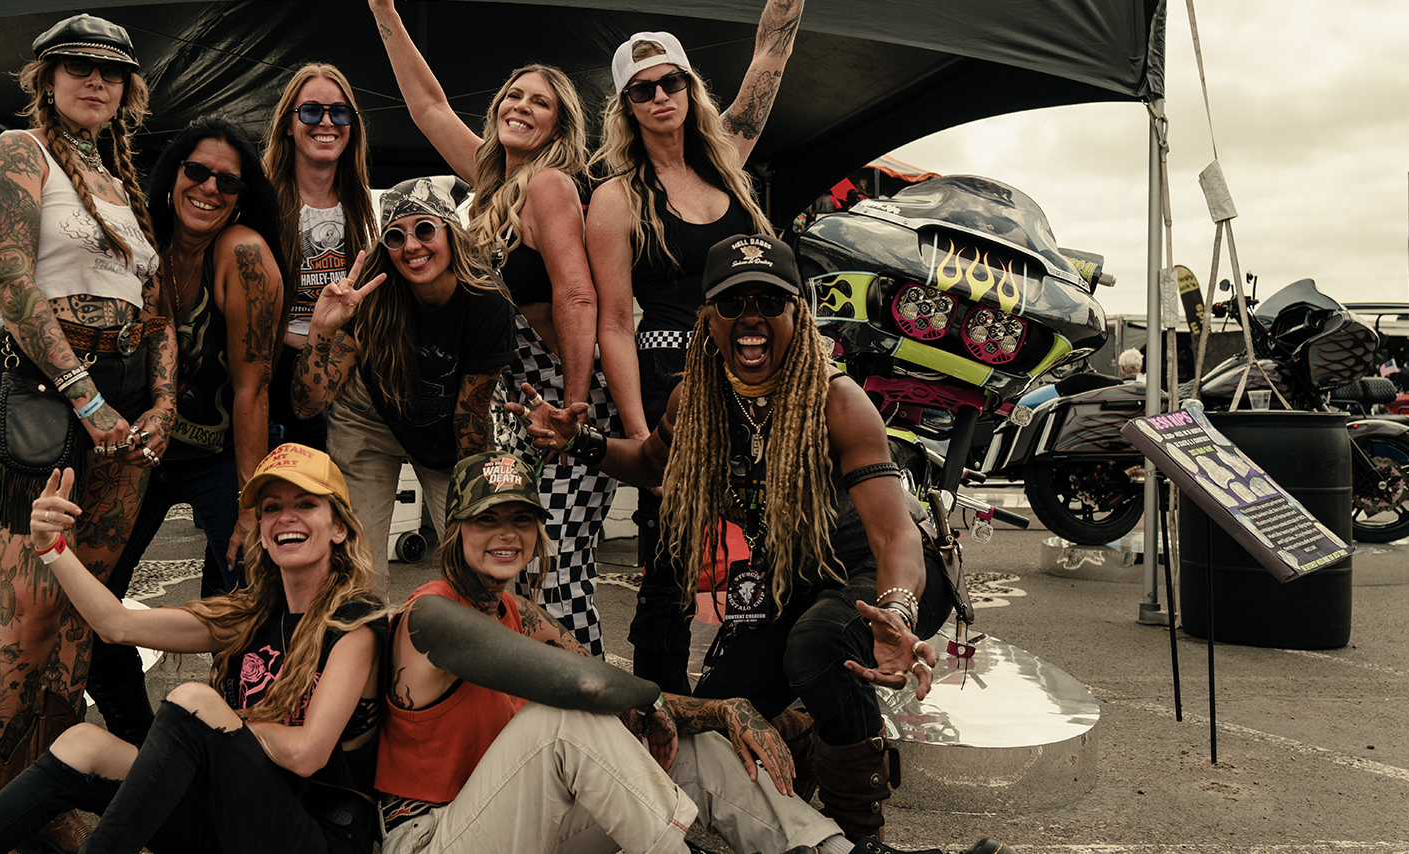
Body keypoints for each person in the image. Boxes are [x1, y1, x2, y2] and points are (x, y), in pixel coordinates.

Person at [519, 234, 1006, 851]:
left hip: (876, 577)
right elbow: (650, 463)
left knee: (821, 645)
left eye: (770, 302)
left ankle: (863, 838)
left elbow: (892, 531)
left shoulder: (836, 399)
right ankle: (805, 729)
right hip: (792, 583)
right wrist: (581, 443)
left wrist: (897, 610)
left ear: (796, 314)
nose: (751, 317)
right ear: (709, 320)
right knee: (713, 720)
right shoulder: (695, 397)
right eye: (733, 303)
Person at [375, 452, 1003, 854]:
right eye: (488, 521)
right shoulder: (430, 615)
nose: (506, 536)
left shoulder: (522, 612)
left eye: (519, 520)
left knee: (692, 746)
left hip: (516, 822)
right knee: (558, 723)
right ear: (454, 528)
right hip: (433, 837)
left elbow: (600, 681)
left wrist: (720, 711)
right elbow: (583, 686)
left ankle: (832, 852)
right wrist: (692, 704)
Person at [0, 445, 388, 854]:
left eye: (306, 504)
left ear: (339, 529)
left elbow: (308, 753)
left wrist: (225, 731)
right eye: (272, 508)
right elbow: (116, 625)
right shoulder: (251, 615)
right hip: (233, 820)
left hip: (316, 836)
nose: (286, 516)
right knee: (83, 743)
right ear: (262, 532)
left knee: (194, 702)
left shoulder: (355, 622)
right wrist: (53, 548)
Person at [0, 13, 177, 841]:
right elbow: (10, 279)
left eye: (110, 71)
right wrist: (86, 397)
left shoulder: (124, 184)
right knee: (27, 618)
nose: (95, 80)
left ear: (127, 90)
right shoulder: (21, 152)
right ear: (47, 77)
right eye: (77, 66)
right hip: (46, 396)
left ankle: (44, 807)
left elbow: (155, 312)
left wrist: (161, 402)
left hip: (124, 408)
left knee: (82, 621)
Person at [368, 0, 618, 655]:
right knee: (517, 575)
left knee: (559, 579)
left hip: (562, 398)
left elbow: (575, 296)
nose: (522, 106)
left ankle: (594, 716)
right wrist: (385, 12)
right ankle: (528, 713)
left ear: (560, 124)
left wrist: (574, 405)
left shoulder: (549, 186)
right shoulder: (486, 190)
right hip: (509, 402)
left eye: (541, 102)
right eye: (514, 95)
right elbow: (427, 108)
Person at [584, 0, 805, 707]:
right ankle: (662, 707)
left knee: (766, 536)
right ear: (626, 106)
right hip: (670, 378)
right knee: (674, 556)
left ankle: (757, 691)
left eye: (669, 82)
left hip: (757, 374)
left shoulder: (729, 164)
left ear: (689, 88)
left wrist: (785, 9)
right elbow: (614, 322)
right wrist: (638, 435)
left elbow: (770, 58)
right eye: (641, 89)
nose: (659, 97)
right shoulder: (617, 198)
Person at [83, 116, 289, 748]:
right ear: (172, 175)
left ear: (241, 196)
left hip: (227, 453)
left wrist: (252, 504)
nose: (209, 188)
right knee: (92, 600)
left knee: (253, 600)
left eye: (227, 182)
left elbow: (253, 388)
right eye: (196, 171)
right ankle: (140, 740)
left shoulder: (243, 254)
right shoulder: (134, 242)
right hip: (143, 452)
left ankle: (242, 745)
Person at [291, 175, 515, 592]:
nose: (411, 245)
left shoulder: (486, 302)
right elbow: (307, 405)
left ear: (451, 233)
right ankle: (362, 649)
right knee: (357, 573)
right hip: (368, 417)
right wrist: (321, 332)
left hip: (448, 425)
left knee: (474, 567)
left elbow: (470, 419)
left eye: (425, 229)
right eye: (395, 236)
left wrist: (469, 511)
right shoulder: (372, 295)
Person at [262, 63, 379, 451]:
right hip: (265, 375)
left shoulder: (364, 208)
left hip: (338, 374)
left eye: (339, 112)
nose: (326, 122)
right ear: (288, 124)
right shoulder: (260, 201)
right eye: (311, 111)